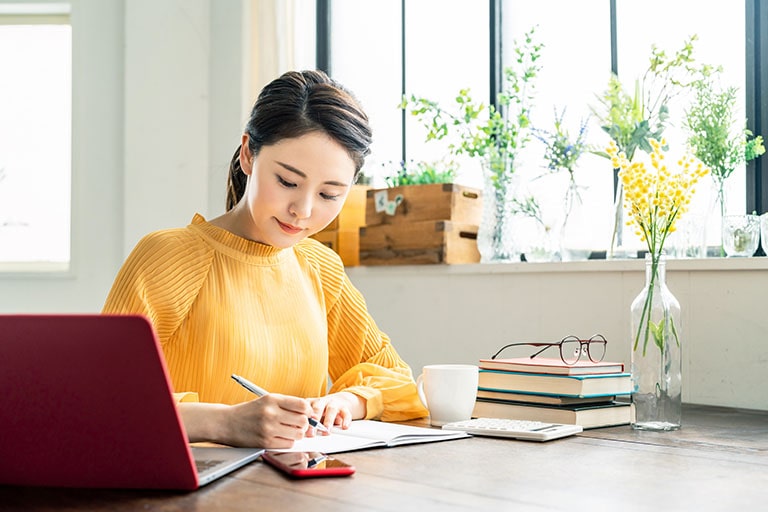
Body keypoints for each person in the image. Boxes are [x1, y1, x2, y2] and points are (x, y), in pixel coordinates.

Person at [103, 70, 428, 449]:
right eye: (288, 182)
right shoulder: (169, 256)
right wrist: (224, 423)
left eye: (329, 194)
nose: (302, 210)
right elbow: (101, 396)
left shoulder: (321, 268)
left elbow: (397, 380)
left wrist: (345, 401)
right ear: (248, 154)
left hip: (294, 490)